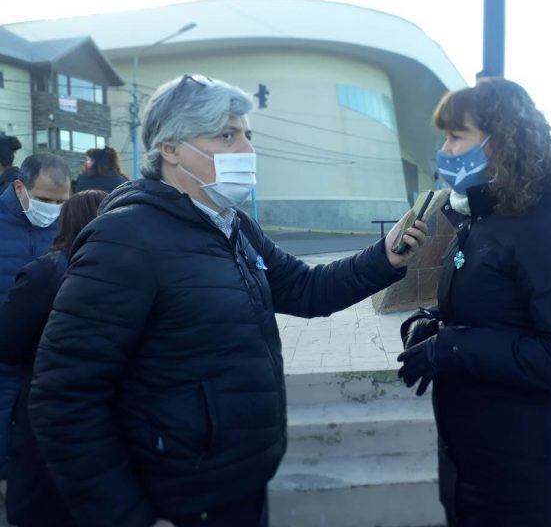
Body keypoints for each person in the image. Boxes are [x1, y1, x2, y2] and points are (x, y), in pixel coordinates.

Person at [28, 74, 427, 527]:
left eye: (247, 134)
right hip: (177, 497)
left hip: (240, 483)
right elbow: (64, 397)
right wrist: (127, 517)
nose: (246, 149)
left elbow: (306, 289)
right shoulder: (125, 240)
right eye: (226, 135)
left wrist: (384, 257)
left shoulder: (233, 225)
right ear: (171, 149)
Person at [397, 78, 551, 527]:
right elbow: (495, 311)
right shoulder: (485, 219)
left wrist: (453, 348)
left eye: (456, 136)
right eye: (445, 136)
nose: (445, 150)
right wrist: (433, 325)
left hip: (531, 476)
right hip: (476, 461)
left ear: (502, 141)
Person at [0, 189, 107, 527]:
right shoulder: (132, 272)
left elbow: (7, 342)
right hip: (113, 409)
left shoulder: (45, 272)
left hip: (47, 406)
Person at [0, 152, 70, 479]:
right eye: (43, 199)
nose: (51, 209)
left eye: (60, 202)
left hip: (44, 354)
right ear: (19, 187)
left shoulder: (67, 227)